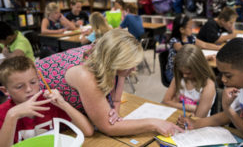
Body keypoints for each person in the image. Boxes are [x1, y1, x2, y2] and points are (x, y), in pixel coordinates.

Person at [35, 29, 183, 137]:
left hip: (70, 110)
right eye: (129, 64)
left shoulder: (106, 55)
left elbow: (116, 100)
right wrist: (154, 123)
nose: (134, 69)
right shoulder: (87, 75)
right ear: (116, 62)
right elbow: (108, 128)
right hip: (40, 112)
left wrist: (114, 112)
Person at [0, 56, 93, 147]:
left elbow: (88, 131)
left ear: (38, 79)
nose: (29, 89)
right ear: (5, 91)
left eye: (33, 82)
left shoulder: (49, 101)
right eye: (19, 86)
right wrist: (12, 116)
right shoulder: (4, 113)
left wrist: (63, 104)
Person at [163, 45, 216, 117]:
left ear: (199, 68)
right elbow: (165, 101)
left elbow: (199, 117)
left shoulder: (208, 86)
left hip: (197, 123)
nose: (184, 76)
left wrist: (174, 103)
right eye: (182, 72)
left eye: (188, 73)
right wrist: (191, 108)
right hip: (178, 116)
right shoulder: (179, 78)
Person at [165, 14, 220, 83]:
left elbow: (204, 44)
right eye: (190, 27)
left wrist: (219, 48)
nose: (192, 29)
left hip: (188, 69)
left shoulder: (190, 38)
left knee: (206, 75)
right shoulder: (175, 42)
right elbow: (188, 56)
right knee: (204, 77)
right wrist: (206, 57)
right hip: (175, 73)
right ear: (182, 30)